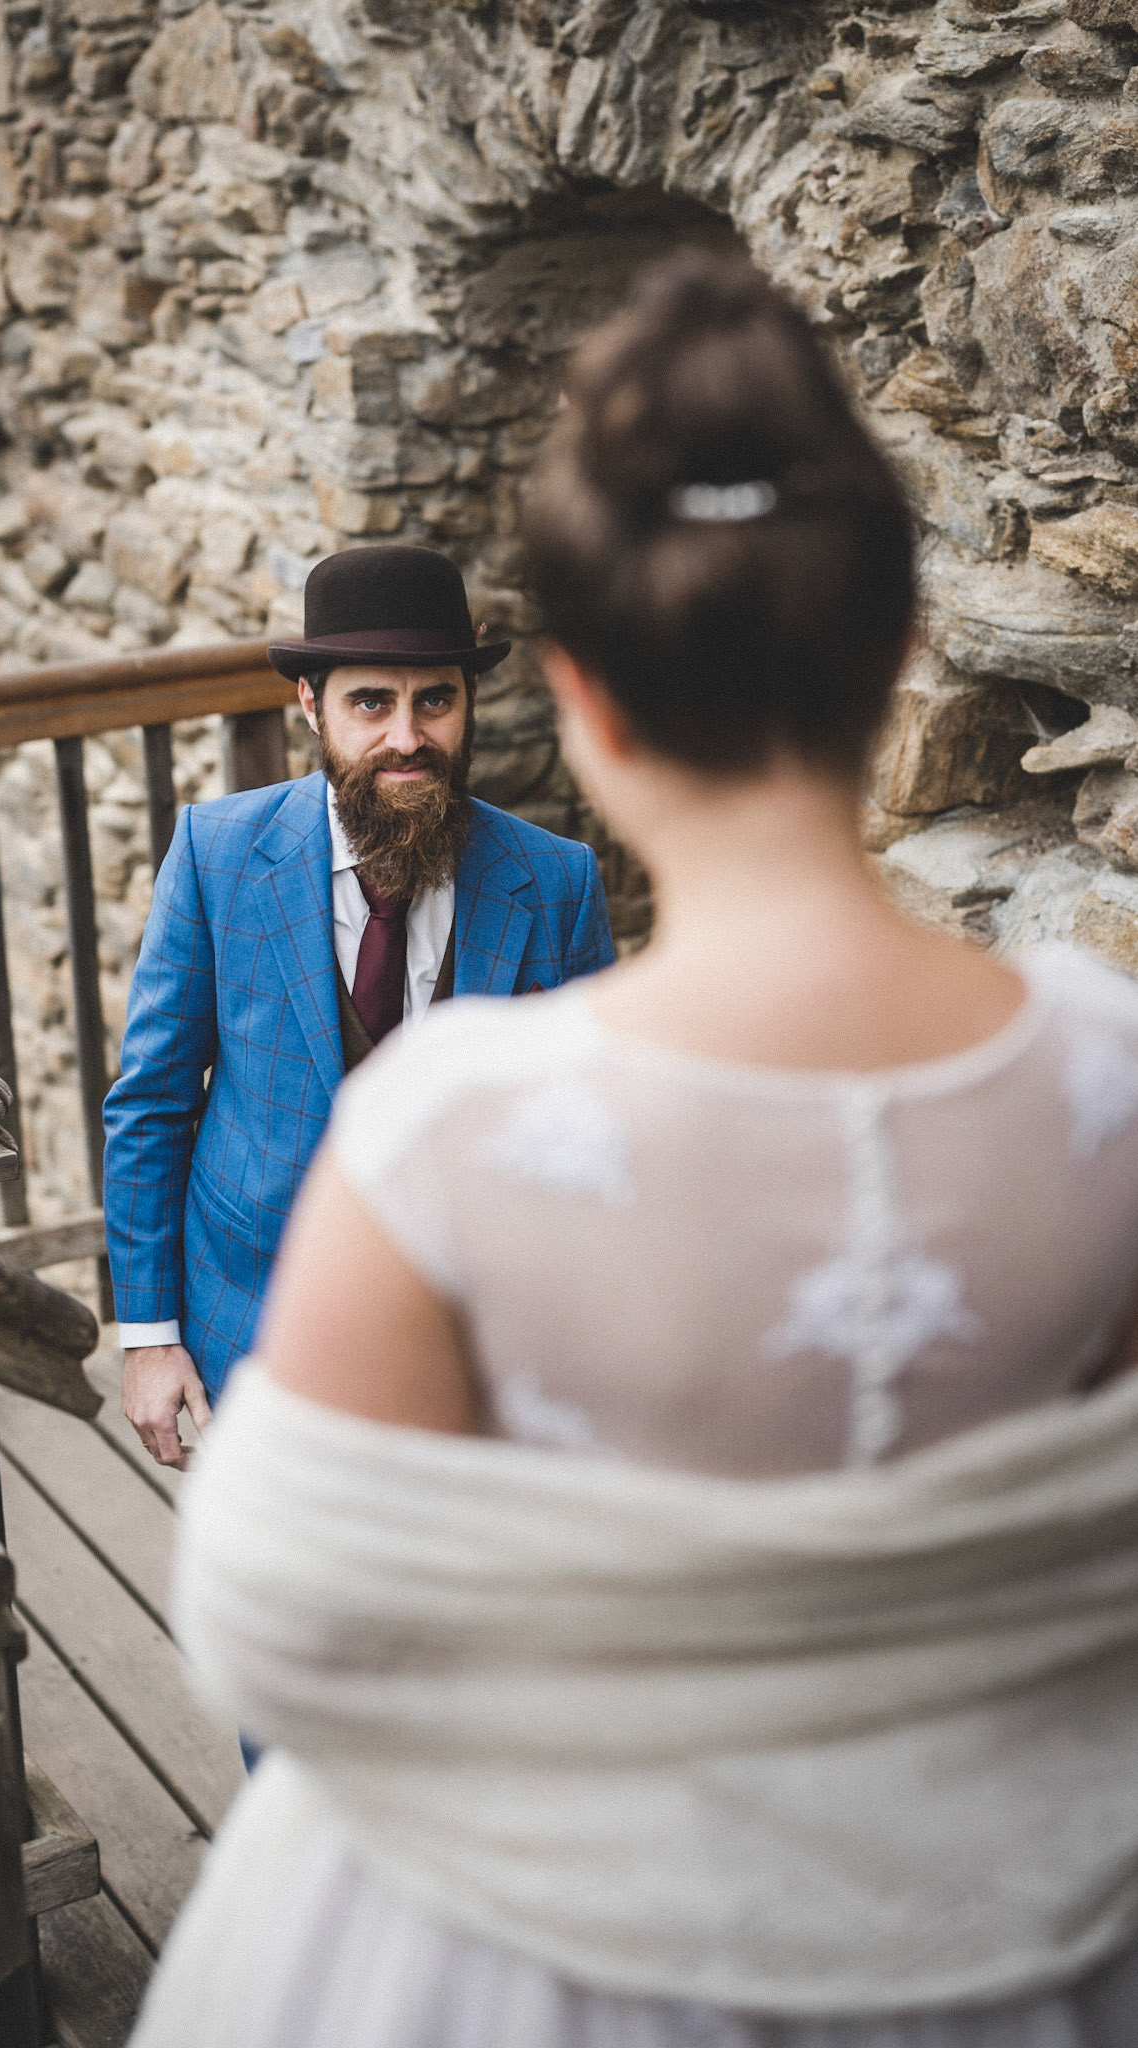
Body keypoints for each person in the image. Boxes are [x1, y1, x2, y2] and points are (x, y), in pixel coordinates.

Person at [132, 248, 1138, 2046]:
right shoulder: (1111, 1079)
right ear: (901, 650)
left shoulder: (447, 1126)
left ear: (576, 697)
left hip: (536, 1961)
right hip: (1034, 1939)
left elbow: (270, 1624)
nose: (408, 732)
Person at [103, 542, 614, 1468]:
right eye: (371, 703)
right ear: (312, 706)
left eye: (434, 701)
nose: (406, 738)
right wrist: (148, 1336)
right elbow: (151, 1104)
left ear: (468, 702)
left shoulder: (557, 882)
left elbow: (583, 1134)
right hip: (250, 1326)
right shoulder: (218, 855)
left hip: (477, 1350)